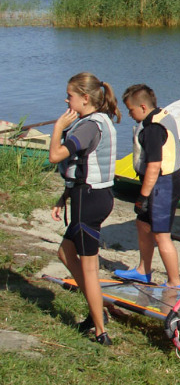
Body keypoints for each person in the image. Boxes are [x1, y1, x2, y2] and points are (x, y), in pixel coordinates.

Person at [49, 72, 121, 345]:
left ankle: (100, 330)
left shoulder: (88, 126)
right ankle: (95, 308)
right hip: (97, 196)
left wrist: (58, 127)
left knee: (89, 269)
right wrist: (64, 196)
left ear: (84, 98)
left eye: (69, 95)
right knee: (66, 252)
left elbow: (56, 155)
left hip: (88, 202)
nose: (66, 99)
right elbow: (82, 165)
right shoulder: (101, 121)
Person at [113, 84, 180, 288]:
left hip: (165, 184)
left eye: (131, 110)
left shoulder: (153, 128)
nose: (129, 114)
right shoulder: (161, 115)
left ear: (143, 107)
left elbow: (154, 166)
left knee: (161, 235)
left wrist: (142, 197)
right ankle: (143, 271)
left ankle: (174, 282)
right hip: (162, 183)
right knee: (142, 224)